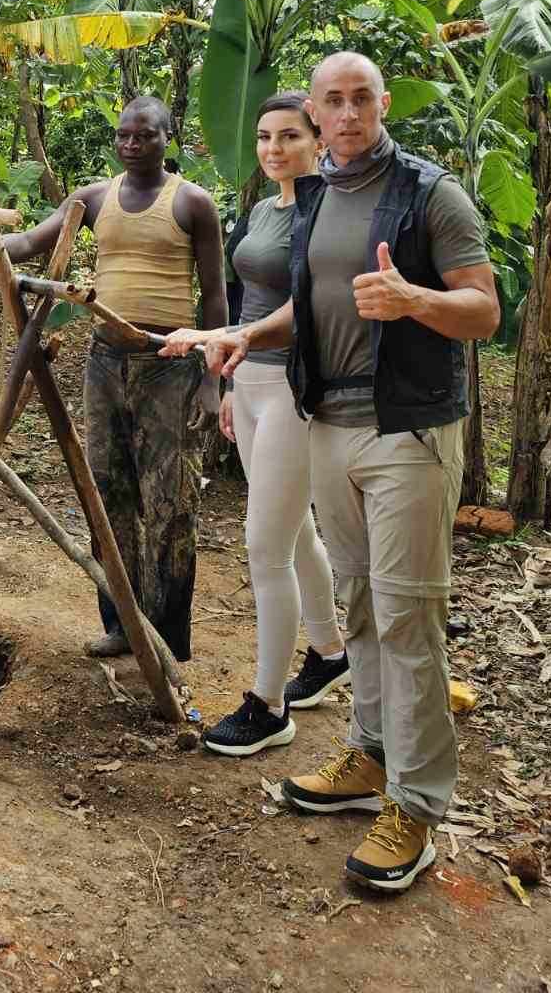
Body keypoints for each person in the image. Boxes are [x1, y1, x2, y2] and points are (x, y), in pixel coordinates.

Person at [181, 53, 498, 893]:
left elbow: (485, 308)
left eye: (363, 99)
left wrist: (415, 301)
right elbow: (313, 303)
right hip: (330, 424)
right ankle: (367, 758)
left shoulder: (430, 193)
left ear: (382, 104)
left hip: (408, 431)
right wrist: (253, 335)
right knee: (359, 609)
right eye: (335, 101)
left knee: (407, 619)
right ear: (316, 113)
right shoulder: (316, 194)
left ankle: (418, 807)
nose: (349, 114)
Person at [0, 96, 225, 663]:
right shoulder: (91, 197)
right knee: (106, 492)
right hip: (106, 361)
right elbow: (29, 244)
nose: (132, 145)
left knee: (170, 503)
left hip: (170, 363)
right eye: (124, 136)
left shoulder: (192, 203)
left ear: (169, 138)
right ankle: (121, 622)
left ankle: (165, 638)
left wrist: (213, 379)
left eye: (145, 136)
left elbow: (214, 295)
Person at [162, 93, 347, 755]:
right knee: (294, 532)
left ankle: (269, 706)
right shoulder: (263, 210)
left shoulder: (329, 211)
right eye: (265, 136)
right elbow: (248, 297)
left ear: (319, 141)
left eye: (289, 137)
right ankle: (328, 651)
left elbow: (314, 305)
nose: (273, 148)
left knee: (264, 546)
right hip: (256, 384)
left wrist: (221, 337)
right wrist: (233, 383)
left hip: (300, 391)